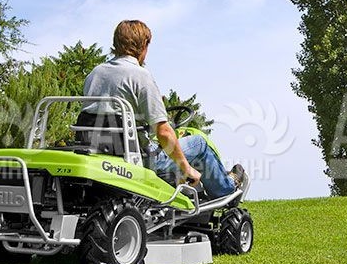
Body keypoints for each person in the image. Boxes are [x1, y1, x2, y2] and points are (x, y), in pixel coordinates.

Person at [82, 19, 242, 199]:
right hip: (138, 159)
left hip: (99, 152)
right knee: (199, 144)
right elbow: (163, 132)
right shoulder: (140, 76)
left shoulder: (95, 73)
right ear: (144, 45)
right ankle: (226, 190)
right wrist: (186, 167)